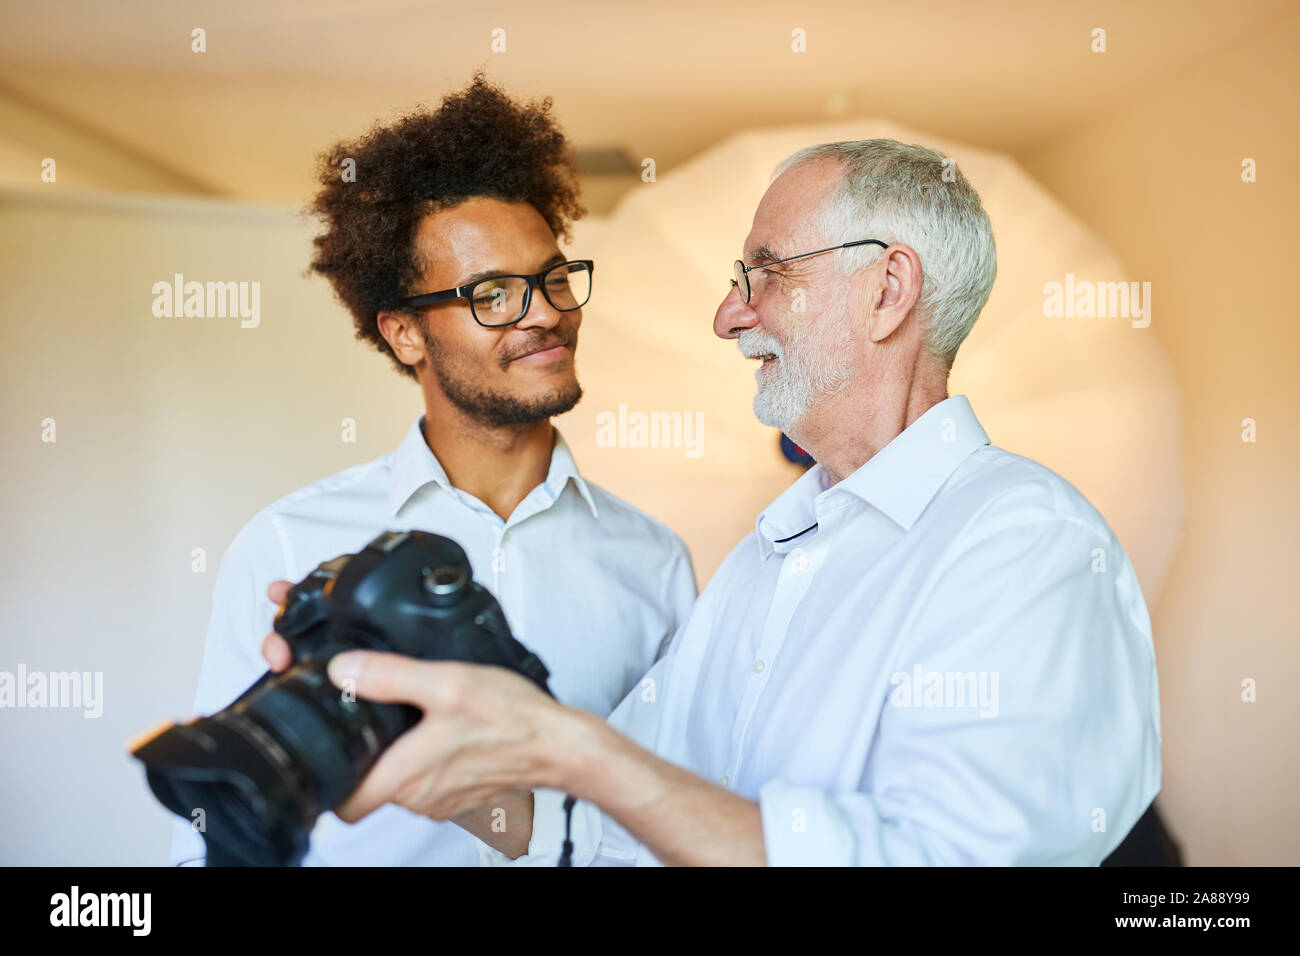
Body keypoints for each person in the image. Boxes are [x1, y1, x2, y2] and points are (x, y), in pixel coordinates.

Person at [261, 139, 1162, 865]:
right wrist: (428, 748)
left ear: (888, 290)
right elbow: (608, 831)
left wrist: (573, 750)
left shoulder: (1024, 544)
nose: (728, 315)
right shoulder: (762, 565)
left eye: (765, 273)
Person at [169, 75, 697, 866]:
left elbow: (677, 818)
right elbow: (216, 825)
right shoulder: (289, 545)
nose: (545, 313)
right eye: (492, 294)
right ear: (405, 335)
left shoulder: (654, 564)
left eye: (553, 277)